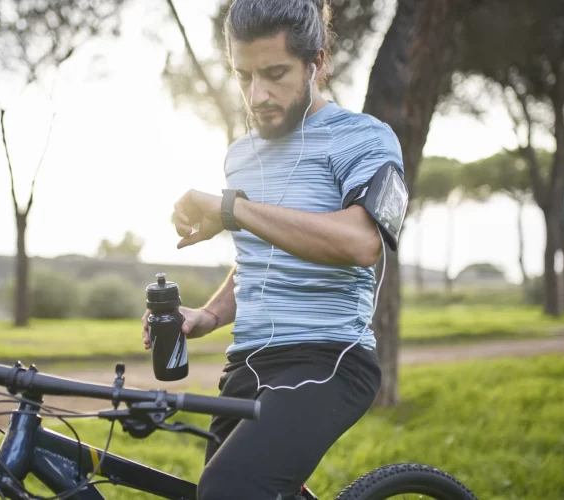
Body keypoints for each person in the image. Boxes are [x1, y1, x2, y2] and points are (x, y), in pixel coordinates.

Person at [141, 0, 406, 498]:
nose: (257, 94)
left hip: (329, 359)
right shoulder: (240, 156)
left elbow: (362, 242)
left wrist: (233, 210)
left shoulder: (363, 139)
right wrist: (208, 316)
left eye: (275, 73)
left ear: (318, 62)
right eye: (244, 77)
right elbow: (258, 261)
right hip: (246, 364)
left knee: (227, 488)